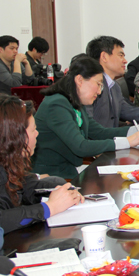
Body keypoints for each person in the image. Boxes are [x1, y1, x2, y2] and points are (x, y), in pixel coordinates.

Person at [32, 57, 139, 179]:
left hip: (70, 170)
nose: (99, 92)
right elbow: (81, 146)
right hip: (53, 176)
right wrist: (127, 142)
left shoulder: (74, 102)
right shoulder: (56, 104)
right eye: (98, 84)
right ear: (80, 80)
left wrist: (136, 130)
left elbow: (100, 132)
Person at [0, 94, 85, 234]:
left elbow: (24, 187)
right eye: (33, 129)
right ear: (17, 136)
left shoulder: (8, 164)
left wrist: (60, 191)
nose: (37, 134)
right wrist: (49, 208)